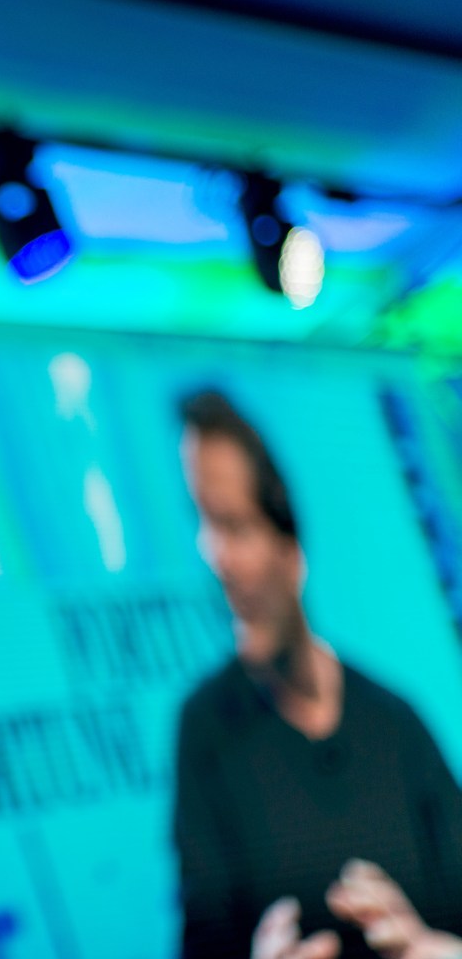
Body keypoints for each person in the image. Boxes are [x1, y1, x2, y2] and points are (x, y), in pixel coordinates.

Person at [172, 390, 462, 959]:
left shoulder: (394, 723)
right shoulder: (206, 731)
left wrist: (426, 947)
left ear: (291, 548)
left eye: (235, 527)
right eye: (206, 528)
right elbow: (200, 938)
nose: (217, 559)